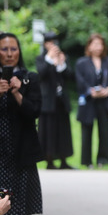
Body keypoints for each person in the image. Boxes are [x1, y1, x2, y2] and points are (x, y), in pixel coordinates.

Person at [0, 32, 44, 215]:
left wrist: (16, 91)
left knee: (16, 198)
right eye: (4, 49)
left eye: (13, 49)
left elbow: (34, 111)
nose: (9, 54)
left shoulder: (29, 78)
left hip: (19, 149)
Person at [76, 33, 108, 168]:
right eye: (95, 44)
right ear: (89, 46)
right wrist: (90, 91)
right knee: (86, 130)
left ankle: (103, 159)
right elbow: (79, 80)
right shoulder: (82, 62)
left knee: (104, 131)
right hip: (88, 101)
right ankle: (86, 161)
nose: (98, 47)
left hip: (104, 101)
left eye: (100, 44)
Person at [36, 32, 74, 170]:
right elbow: (41, 74)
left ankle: (64, 159)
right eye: (50, 43)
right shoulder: (41, 58)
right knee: (48, 131)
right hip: (47, 101)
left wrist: (62, 63)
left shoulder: (64, 57)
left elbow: (69, 76)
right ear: (46, 44)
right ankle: (49, 160)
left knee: (63, 130)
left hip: (61, 100)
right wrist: (50, 59)